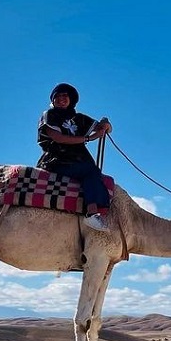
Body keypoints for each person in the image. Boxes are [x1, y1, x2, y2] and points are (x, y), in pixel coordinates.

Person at [36, 82, 113, 231]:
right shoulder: (49, 115)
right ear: (52, 100)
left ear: (71, 98)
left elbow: (105, 129)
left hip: (77, 159)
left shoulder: (79, 118)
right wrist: (88, 139)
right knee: (90, 171)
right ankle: (92, 213)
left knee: (93, 172)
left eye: (65, 95)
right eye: (57, 96)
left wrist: (105, 124)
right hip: (57, 160)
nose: (61, 98)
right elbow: (58, 138)